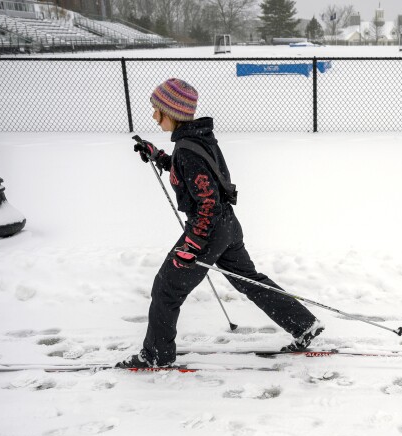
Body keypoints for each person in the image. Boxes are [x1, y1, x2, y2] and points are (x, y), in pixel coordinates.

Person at [118, 78, 324, 369]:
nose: (154, 116)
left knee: (166, 289)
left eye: (157, 110)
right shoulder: (198, 138)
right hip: (227, 227)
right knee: (250, 281)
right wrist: (160, 157)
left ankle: (155, 355)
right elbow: (199, 178)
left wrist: (191, 246)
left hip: (209, 230)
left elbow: (207, 204)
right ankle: (304, 324)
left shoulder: (188, 149)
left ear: (172, 112)